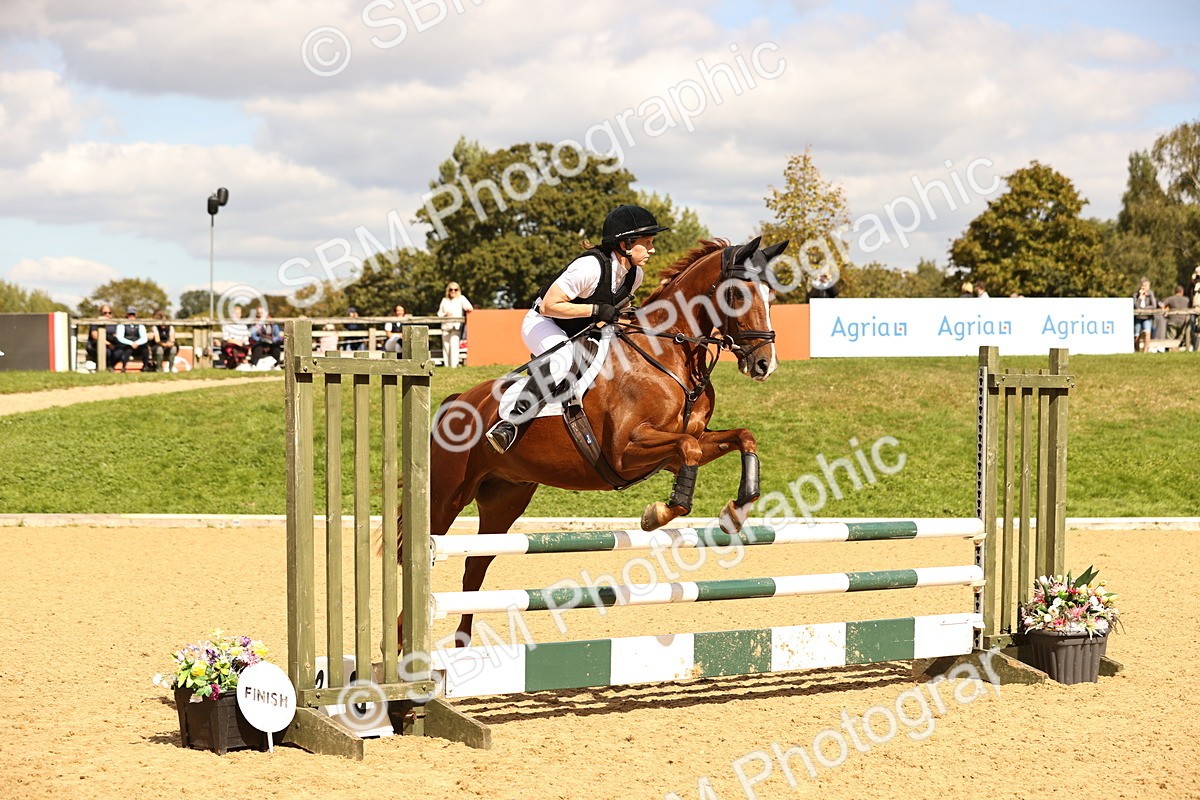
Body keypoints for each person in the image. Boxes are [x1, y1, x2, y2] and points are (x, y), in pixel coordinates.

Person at [484, 203, 668, 453]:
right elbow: (550, 305)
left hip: (583, 330)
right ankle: (509, 424)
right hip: (545, 322)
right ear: (625, 245)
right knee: (562, 359)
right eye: (646, 243)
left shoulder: (635, 275)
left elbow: (615, 311)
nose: (652, 249)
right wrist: (595, 311)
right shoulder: (590, 267)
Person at [437, 283, 473, 368]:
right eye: (451, 289)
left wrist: (467, 310)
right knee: (446, 347)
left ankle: (454, 366)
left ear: (458, 290)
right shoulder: (444, 300)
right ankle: (447, 365)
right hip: (445, 326)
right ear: (448, 290)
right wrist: (445, 314)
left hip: (456, 326)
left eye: (455, 289)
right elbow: (439, 313)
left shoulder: (461, 299)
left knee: (454, 346)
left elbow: (469, 307)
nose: (453, 291)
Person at [112, 306, 149, 372]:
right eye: (130, 314)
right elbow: (120, 337)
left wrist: (137, 343)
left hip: (138, 345)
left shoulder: (140, 325)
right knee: (127, 350)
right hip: (126, 345)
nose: (131, 317)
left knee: (145, 349)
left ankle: (146, 367)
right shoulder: (122, 324)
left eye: (133, 315)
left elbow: (144, 337)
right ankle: (124, 367)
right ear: (127, 315)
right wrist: (131, 343)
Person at [85, 305, 117, 370]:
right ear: (101, 313)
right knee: (107, 351)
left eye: (109, 313)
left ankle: (112, 367)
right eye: (105, 313)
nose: (107, 314)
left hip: (112, 345)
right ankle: (103, 368)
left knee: (120, 351)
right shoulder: (96, 322)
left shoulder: (114, 323)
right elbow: (95, 336)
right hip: (96, 345)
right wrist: (108, 344)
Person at [1133, 278, 1157, 352]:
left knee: (1147, 332)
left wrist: (1143, 308)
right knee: (1136, 335)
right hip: (1138, 317)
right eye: (1143, 285)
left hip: (1147, 317)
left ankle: (1145, 351)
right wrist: (1140, 298)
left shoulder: (1150, 294)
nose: (1144, 287)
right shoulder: (1135, 295)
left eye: (1146, 285)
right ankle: (1137, 351)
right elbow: (1136, 306)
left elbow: (1154, 306)